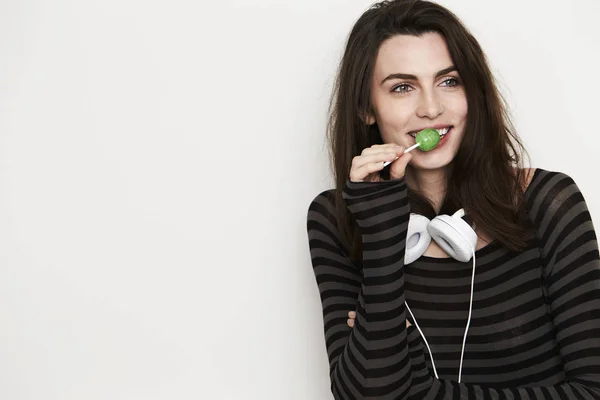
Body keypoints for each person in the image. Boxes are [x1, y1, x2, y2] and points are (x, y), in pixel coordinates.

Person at [306, 0, 600, 399]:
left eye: (449, 81)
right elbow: (364, 393)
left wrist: (421, 393)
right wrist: (383, 238)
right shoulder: (335, 217)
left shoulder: (549, 202)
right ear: (365, 109)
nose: (431, 108)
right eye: (402, 87)